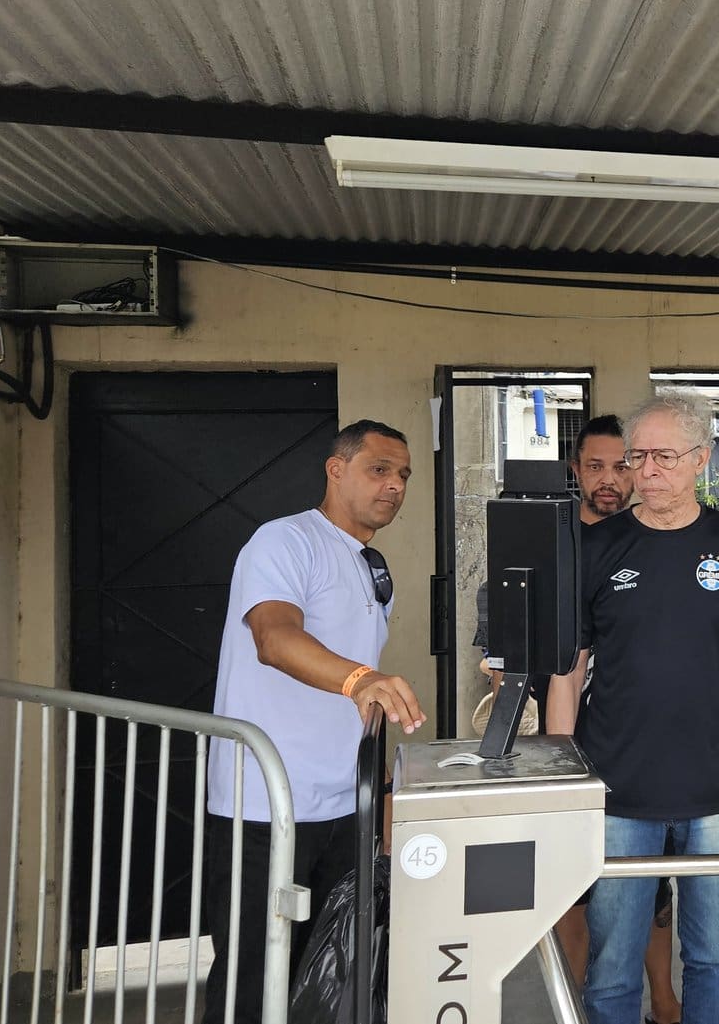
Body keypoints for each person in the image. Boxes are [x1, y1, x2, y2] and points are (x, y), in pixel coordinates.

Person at [548, 389, 719, 1024]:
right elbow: (568, 671)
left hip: (718, 784)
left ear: (701, 459)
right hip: (620, 786)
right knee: (613, 968)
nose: (646, 470)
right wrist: (565, 782)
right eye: (638, 456)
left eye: (664, 457)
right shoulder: (597, 546)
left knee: (712, 957)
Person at [203, 420, 425, 1023]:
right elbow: (274, 638)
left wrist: (382, 794)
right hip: (266, 805)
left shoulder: (372, 566)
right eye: (379, 469)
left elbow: (361, 703)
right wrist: (360, 679)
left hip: (344, 807)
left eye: (403, 475)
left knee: (326, 979)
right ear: (336, 469)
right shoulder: (284, 541)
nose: (395, 485)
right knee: (253, 981)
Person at [478, 414, 680, 1022]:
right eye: (596, 467)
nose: (611, 479)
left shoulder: (657, 546)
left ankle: (664, 1005)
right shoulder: (539, 551)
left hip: (641, 756)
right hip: (564, 754)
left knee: (652, 889)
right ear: (576, 471)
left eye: (622, 465)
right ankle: (584, 1008)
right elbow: (502, 661)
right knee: (571, 891)